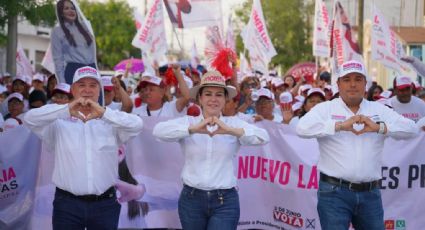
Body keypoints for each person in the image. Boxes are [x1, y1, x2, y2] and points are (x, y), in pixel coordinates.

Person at [296, 60, 418, 230]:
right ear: (338, 84)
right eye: (346, 79)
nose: (352, 84)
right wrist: (339, 126)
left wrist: (379, 127)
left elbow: (412, 130)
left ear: (365, 84)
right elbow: (301, 128)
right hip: (333, 193)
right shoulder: (325, 109)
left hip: (370, 194)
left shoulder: (379, 110)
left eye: (358, 79)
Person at [23, 66, 144, 230]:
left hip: (105, 205)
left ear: (99, 90)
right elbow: (29, 118)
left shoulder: (110, 120)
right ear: (73, 89)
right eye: (82, 85)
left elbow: (137, 125)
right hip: (67, 206)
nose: (87, 90)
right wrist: (66, 110)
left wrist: (104, 114)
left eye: (93, 85)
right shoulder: (58, 122)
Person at [153, 70, 269, 230]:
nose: (213, 99)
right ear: (200, 98)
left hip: (225, 201)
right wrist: (192, 129)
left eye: (219, 95)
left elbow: (263, 137)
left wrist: (230, 130)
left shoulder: (233, 123)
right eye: (208, 94)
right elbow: (158, 132)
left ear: (225, 99)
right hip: (191, 199)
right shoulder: (189, 121)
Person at [51, 0, 96, 84]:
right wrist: (62, 83)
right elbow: (58, 60)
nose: (71, 11)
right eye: (66, 8)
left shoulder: (85, 26)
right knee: (75, 97)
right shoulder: (57, 31)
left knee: (94, 97)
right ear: (61, 12)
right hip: (74, 71)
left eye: (73, 8)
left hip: (91, 70)